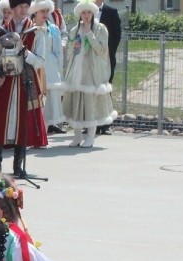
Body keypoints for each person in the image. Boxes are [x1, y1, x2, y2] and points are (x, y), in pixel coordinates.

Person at [0, 0, 47, 176]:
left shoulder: (37, 32)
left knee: (23, 122)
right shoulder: (1, 30)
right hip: (5, 81)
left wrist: (27, 54)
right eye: (19, 6)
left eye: (26, 6)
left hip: (26, 81)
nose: (23, 10)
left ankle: (18, 167)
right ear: (12, 8)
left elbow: (41, 61)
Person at [62, 0, 116, 149]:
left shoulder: (100, 28)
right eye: (83, 13)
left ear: (93, 13)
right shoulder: (74, 29)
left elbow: (101, 49)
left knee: (90, 104)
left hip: (92, 71)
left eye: (89, 13)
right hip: (76, 70)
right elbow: (71, 51)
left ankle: (91, 136)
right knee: (76, 103)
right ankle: (77, 136)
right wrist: (73, 46)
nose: (86, 16)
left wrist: (89, 34)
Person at [30, 0, 65, 137]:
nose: (45, 14)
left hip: (50, 69)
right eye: (42, 11)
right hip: (35, 67)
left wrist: (60, 73)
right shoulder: (30, 28)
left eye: (47, 11)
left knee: (48, 104)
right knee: (35, 103)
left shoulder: (54, 29)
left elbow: (58, 53)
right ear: (35, 12)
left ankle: (43, 136)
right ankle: (34, 134)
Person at [94, 0, 120, 134]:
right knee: (91, 91)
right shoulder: (86, 11)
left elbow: (116, 36)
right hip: (90, 60)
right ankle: (91, 123)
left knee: (105, 90)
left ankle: (105, 124)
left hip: (106, 59)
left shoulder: (112, 12)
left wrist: (107, 54)